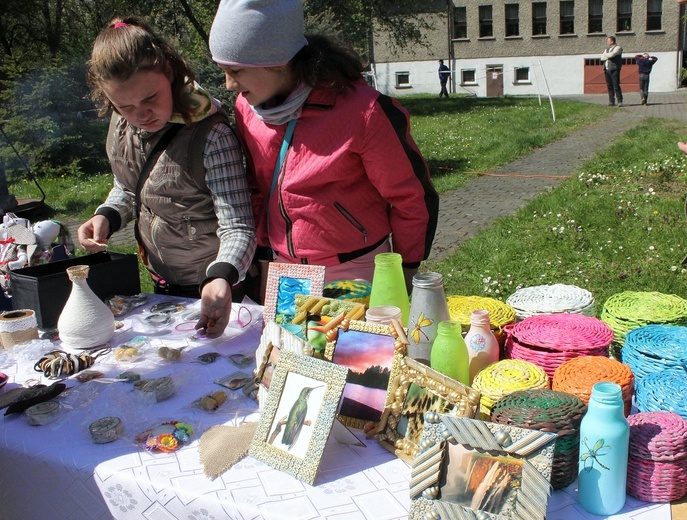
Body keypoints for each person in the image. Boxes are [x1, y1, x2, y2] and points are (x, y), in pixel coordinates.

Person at [208, 0, 439, 295]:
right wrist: (264, 255)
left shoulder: (364, 112)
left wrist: (405, 272)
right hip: (285, 272)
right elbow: (258, 190)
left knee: (349, 342)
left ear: (276, 61)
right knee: (288, 343)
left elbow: (412, 198)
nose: (228, 84)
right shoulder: (246, 108)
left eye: (236, 71)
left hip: (356, 271)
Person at [78, 16, 257, 338]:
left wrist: (220, 277)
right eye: (124, 106)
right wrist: (107, 214)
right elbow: (130, 184)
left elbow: (239, 226)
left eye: (150, 99)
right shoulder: (122, 124)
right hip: (160, 281)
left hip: (215, 283)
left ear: (171, 75)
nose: (140, 115)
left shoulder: (212, 135)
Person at [601, 36, 623, 107]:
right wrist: (607, 56)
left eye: (608, 41)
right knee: (609, 86)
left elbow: (612, 55)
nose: (607, 42)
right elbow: (602, 58)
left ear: (612, 41)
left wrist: (606, 55)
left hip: (614, 69)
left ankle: (620, 101)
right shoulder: (606, 49)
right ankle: (611, 101)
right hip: (607, 69)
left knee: (616, 86)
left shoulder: (618, 48)